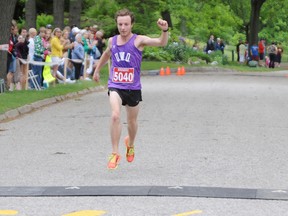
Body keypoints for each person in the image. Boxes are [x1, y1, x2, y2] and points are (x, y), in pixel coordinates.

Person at [93, 8, 169, 169]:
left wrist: (164, 30)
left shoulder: (138, 40)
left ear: (131, 24)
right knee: (115, 115)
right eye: (120, 24)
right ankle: (114, 153)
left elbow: (161, 42)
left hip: (133, 88)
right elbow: (107, 54)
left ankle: (131, 143)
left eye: (126, 24)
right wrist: (97, 70)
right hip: (115, 85)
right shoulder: (112, 41)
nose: (123, 27)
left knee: (132, 122)